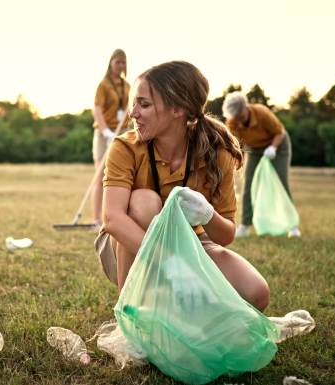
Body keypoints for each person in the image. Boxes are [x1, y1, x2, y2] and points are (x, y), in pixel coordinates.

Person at [94, 61, 270, 311]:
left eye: (143, 104)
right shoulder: (126, 147)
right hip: (129, 245)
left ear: (177, 109)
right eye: (135, 103)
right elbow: (112, 219)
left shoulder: (216, 152)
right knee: (143, 201)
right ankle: (131, 314)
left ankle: (180, 309)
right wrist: (171, 264)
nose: (133, 113)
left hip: (191, 241)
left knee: (256, 293)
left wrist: (207, 213)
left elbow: (226, 235)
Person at [222, 92, 301, 238]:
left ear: (245, 107)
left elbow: (280, 132)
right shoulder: (233, 121)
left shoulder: (262, 113)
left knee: (281, 183)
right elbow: (233, 143)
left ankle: (293, 226)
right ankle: (245, 225)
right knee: (248, 185)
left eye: (240, 116)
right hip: (254, 150)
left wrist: (273, 148)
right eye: (235, 117)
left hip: (277, 146)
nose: (238, 120)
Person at [91, 49, 131, 229]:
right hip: (104, 133)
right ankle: (96, 219)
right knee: (100, 175)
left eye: (123, 62)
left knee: (119, 176)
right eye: (117, 62)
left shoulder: (127, 86)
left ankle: (116, 217)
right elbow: (97, 110)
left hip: (122, 131)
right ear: (111, 63)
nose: (120, 66)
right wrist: (106, 131)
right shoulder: (103, 85)